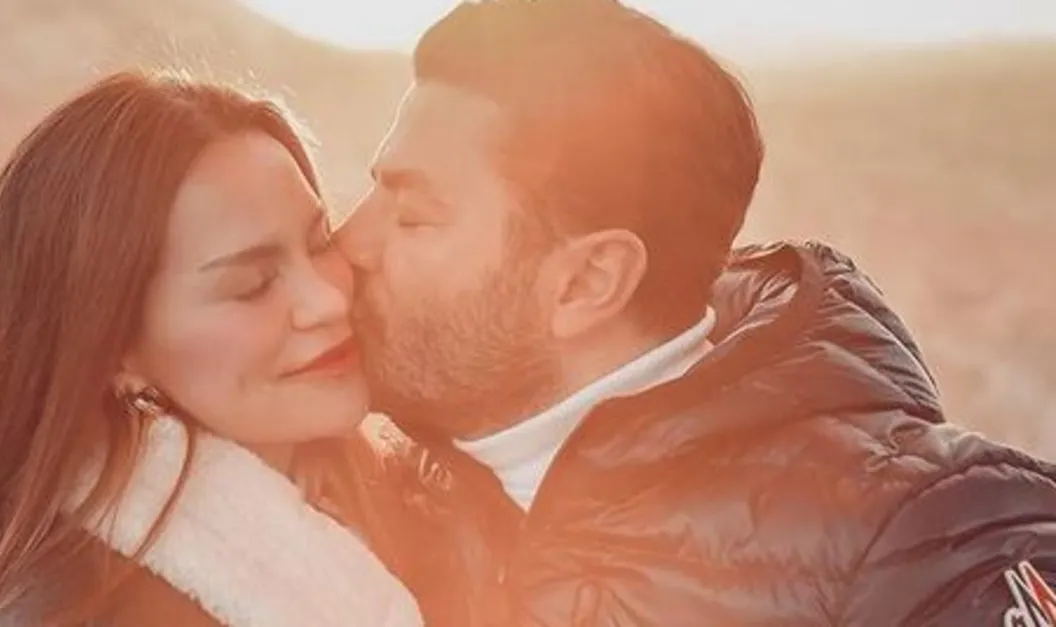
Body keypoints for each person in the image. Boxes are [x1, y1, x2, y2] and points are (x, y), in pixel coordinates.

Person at [338, 0, 1056, 624]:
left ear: (586, 282)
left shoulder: (924, 542)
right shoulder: (374, 496)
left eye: (413, 216)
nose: (346, 243)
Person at [0, 71, 425, 627]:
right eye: (253, 285)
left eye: (319, 242)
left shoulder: (400, 511)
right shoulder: (79, 610)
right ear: (117, 350)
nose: (328, 299)